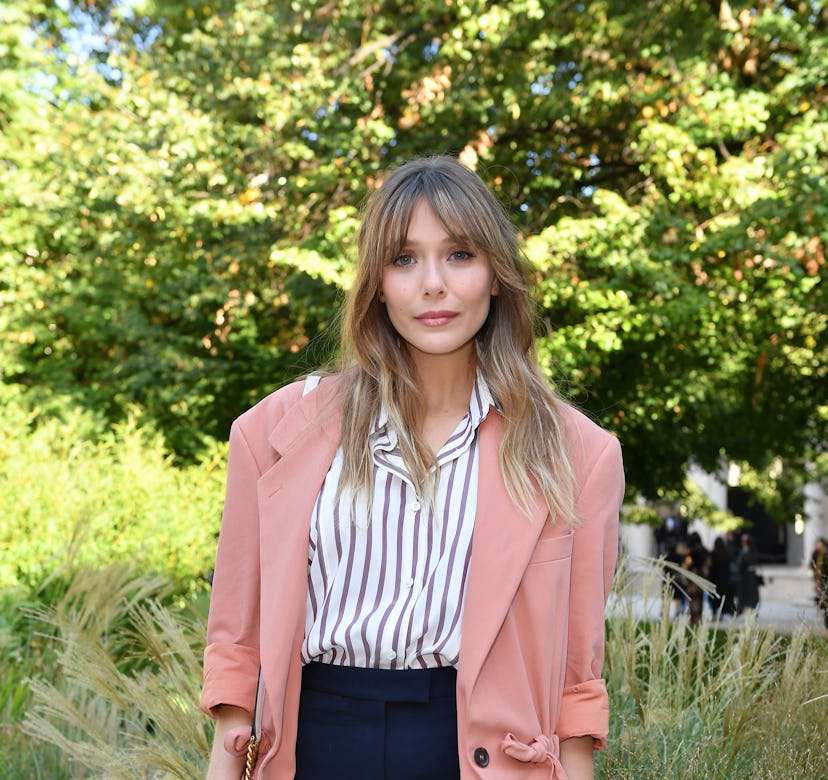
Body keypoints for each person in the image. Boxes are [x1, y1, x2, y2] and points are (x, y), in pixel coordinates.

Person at [199, 155, 625, 779]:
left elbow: (575, 686)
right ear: (376, 282)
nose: (433, 284)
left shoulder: (578, 454)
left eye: (459, 255)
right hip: (314, 746)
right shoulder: (272, 432)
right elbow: (236, 651)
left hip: (477, 756)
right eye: (403, 259)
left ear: (496, 275)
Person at [737, 534, 761, 613]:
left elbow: (741, 565)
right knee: (750, 595)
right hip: (749, 577)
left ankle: (750, 609)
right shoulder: (750, 552)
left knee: (749, 595)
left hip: (747, 577)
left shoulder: (746, 553)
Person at [809, 537, 828, 631]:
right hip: (820, 582)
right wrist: (815, 580)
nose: (818, 546)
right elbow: (811, 567)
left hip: (825, 581)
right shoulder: (815, 554)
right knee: (823, 602)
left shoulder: (826, 555)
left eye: (819, 544)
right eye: (817, 544)